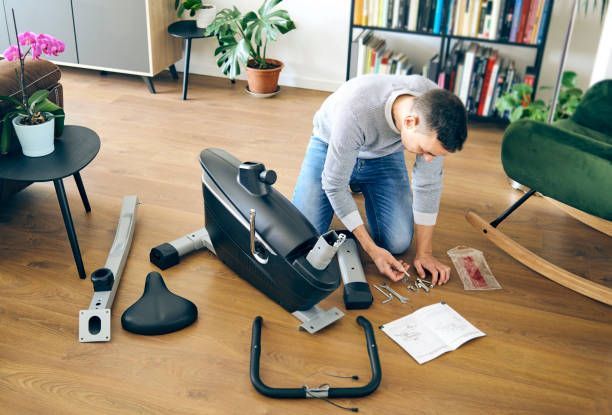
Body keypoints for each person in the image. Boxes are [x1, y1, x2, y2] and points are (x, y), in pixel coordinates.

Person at [292, 74, 468, 285]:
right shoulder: (356, 109)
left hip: (383, 154)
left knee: (398, 242)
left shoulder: (434, 106)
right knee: (302, 236)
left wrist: (425, 253)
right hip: (330, 144)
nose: (428, 158)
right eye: (424, 150)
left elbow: (428, 184)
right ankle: (353, 180)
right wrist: (372, 250)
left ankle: (359, 183)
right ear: (410, 122)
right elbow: (334, 184)